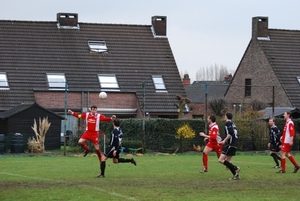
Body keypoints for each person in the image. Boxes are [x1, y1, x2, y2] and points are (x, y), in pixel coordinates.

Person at [218, 112, 241, 180]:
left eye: (225, 116)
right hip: (234, 144)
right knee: (227, 161)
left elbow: (231, 133)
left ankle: (236, 168)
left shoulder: (228, 123)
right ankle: (236, 175)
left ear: (226, 116)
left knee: (220, 160)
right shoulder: (233, 123)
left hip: (231, 144)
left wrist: (224, 140)